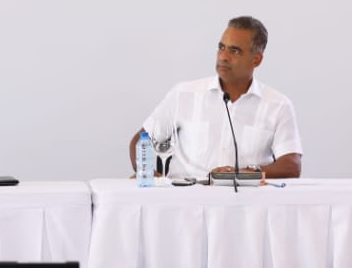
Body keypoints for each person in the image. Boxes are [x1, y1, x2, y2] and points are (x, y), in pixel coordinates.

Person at [130, 16, 303, 180]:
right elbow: (140, 141)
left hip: (246, 198)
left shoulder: (278, 105)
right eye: (221, 47)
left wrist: (242, 173)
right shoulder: (184, 94)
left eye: (234, 51)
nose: (223, 57)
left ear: (256, 60)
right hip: (187, 196)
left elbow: (291, 165)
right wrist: (148, 175)